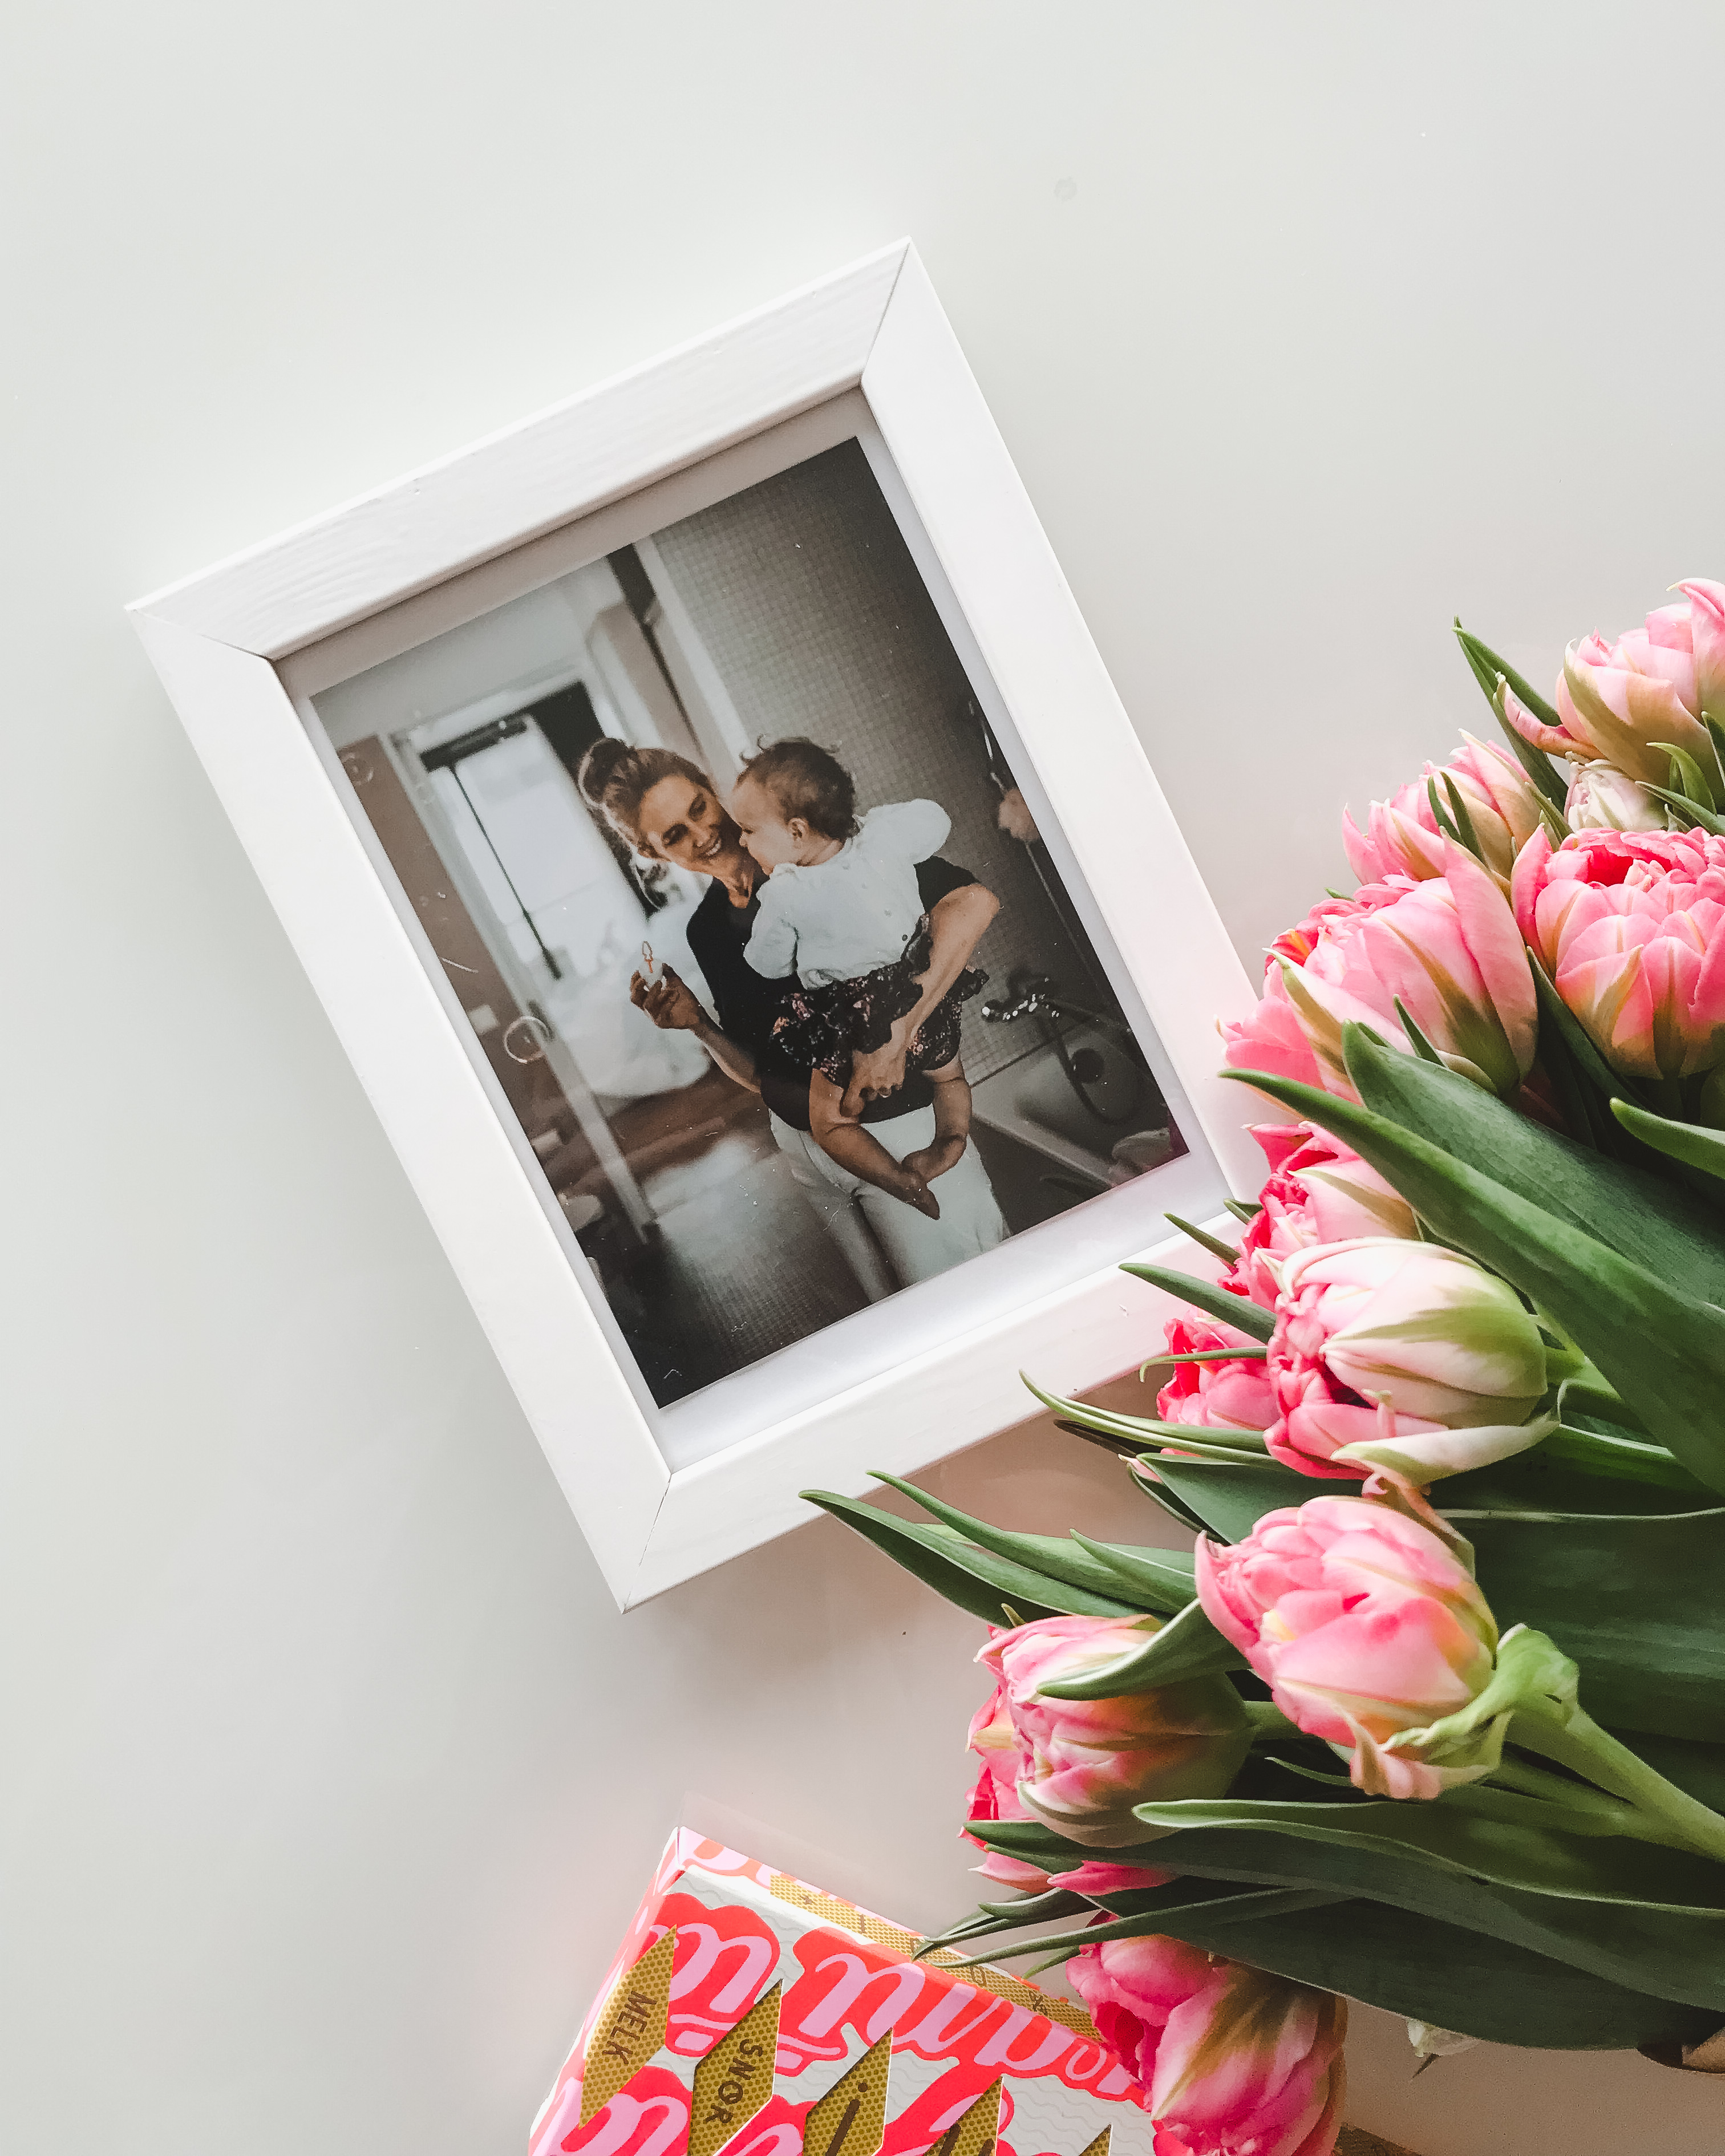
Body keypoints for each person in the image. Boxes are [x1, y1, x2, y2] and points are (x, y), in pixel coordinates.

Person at [577, 739, 1007, 1302]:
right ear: (652, 853)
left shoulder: (820, 857)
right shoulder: (706, 929)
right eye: (675, 835)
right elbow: (764, 1074)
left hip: (900, 1129)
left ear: (712, 789)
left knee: (970, 1298)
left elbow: (974, 902)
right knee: (891, 1313)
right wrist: (700, 1026)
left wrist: (898, 1031)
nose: (702, 834)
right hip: (807, 1151)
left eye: (699, 808)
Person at [728, 737, 983, 1220]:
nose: (741, 842)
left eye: (748, 830)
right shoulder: (882, 838)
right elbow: (936, 820)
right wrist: (869, 825)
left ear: (797, 831)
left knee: (829, 1123)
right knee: (950, 1077)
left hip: (853, 1023)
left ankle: (898, 1179)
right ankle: (950, 1142)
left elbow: (768, 966)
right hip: (921, 1001)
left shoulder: (785, 894)